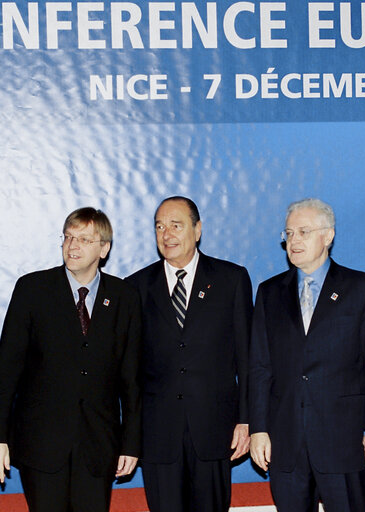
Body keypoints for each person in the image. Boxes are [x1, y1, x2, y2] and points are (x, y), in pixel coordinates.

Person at [0, 207, 142, 512]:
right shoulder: (32, 289)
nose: (73, 246)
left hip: (98, 448)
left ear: (104, 248)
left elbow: (131, 379)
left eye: (84, 239)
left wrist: (132, 443)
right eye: (68, 237)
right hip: (42, 447)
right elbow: (6, 372)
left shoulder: (125, 297)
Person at [249, 198, 365, 512]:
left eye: (303, 231)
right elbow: (260, 367)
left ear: (327, 236)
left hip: (345, 440)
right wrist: (258, 429)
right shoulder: (269, 293)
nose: (294, 240)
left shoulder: (361, 288)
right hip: (286, 441)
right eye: (289, 233)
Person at [126, 196, 253, 512]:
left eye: (175, 225)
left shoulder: (231, 280)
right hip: (158, 435)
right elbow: (128, 371)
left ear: (197, 230)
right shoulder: (135, 287)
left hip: (214, 430)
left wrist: (247, 419)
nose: (166, 234)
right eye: (159, 226)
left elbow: (248, 359)